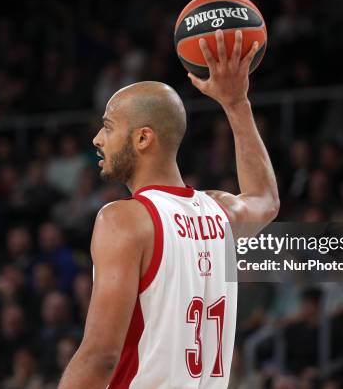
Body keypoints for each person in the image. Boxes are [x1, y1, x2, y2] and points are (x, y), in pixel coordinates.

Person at [59, 30, 280, 388]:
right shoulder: (218, 212)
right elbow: (266, 199)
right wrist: (237, 104)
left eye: (108, 127)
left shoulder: (123, 220)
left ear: (143, 138)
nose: (97, 139)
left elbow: (101, 356)